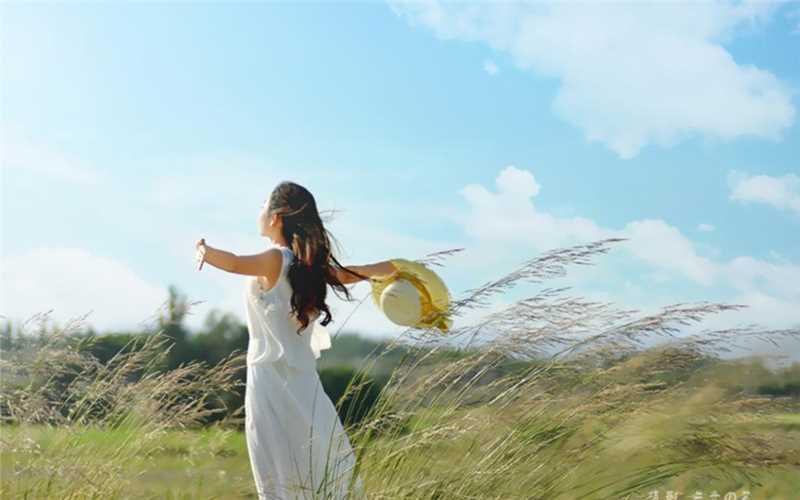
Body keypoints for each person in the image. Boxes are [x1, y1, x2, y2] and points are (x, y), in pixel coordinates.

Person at [195, 181, 396, 499]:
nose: (259, 210)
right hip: (304, 383)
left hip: (270, 380)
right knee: (317, 466)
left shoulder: (276, 259)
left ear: (276, 217)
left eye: (263, 204)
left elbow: (232, 262)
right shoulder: (310, 268)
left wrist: (203, 249)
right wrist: (394, 268)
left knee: (277, 473)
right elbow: (352, 272)